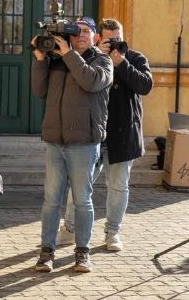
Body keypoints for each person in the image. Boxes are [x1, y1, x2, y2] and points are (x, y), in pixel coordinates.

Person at [58, 18, 153, 252]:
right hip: (93, 133)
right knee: (80, 184)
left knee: (118, 186)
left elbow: (145, 86)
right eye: (109, 40)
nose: (113, 44)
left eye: (117, 39)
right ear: (99, 38)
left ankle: (112, 232)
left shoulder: (135, 58)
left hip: (123, 134)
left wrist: (121, 63)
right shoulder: (89, 57)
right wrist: (99, 57)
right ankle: (69, 229)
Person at [31, 16, 113, 273]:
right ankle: (47, 252)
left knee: (82, 201)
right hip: (56, 141)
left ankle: (82, 252)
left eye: (86, 32)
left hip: (84, 143)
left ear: (95, 37)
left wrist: (68, 54)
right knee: (51, 200)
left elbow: (91, 81)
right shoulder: (58, 61)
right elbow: (39, 90)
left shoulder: (103, 61)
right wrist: (41, 59)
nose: (80, 36)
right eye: (75, 31)